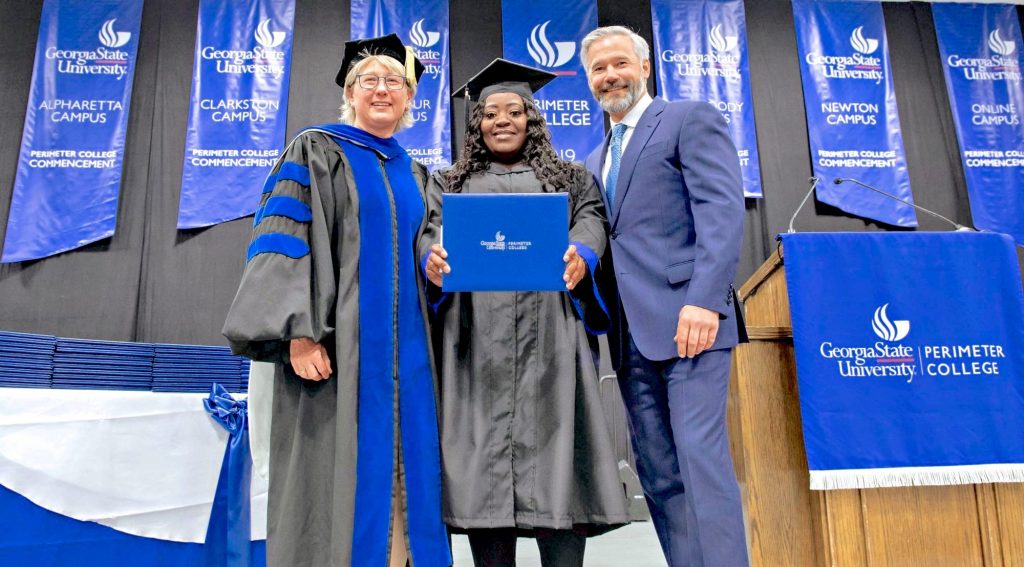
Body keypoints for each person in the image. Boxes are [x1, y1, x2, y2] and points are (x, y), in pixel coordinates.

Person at [222, 34, 451, 567]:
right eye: (368, 80)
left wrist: (435, 262)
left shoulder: (418, 174)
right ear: (350, 93)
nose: (382, 89)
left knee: (407, 475)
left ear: (410, 98)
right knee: (332, 475)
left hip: (410, 360)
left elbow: (428, 244)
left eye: (394, 81)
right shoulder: (315, 150)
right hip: (336, 353)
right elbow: (283, 240)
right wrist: (297, 334)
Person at [421, 59, 629, 567]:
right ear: (477, 123)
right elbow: (430, 233)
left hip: (551, 342)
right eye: (491, 113)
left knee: (560, 470)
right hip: (476, 344)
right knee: (484, 478)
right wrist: (431, 257)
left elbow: (591, 221)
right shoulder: (448, 183)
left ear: (532, 119)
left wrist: (583, 252)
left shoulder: (572, 179)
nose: (502, 120)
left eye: (514, 111)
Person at [580, 26, 749, 567]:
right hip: (629, 338)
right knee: (657, 473)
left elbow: (721, 212)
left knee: (701, 461)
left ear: (645, 67)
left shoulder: (687, 119)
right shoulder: (594, 158)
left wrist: (705, 300)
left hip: (691, 323)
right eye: (598, 69)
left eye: (619, 63)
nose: (610, 76)